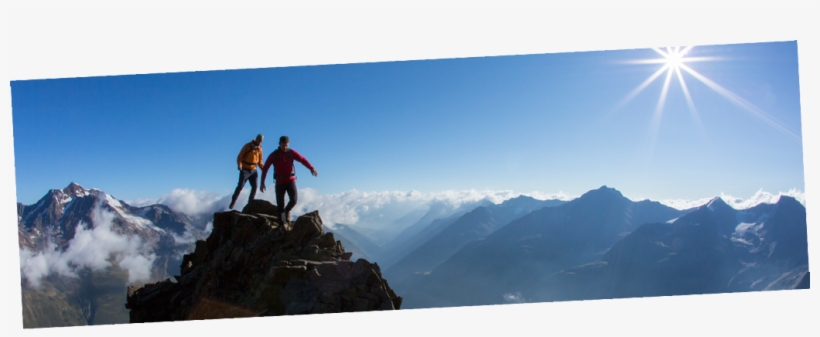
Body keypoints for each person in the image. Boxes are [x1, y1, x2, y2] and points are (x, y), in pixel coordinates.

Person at [261, 135, 318, 224]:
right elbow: (265, 168)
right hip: (279, 183)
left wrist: (311, 168)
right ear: (279, 144)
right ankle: (282, 226)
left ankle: (286, 211)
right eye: (283, 145)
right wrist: (262, 182)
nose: (285, 147)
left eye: (286, 145)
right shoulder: (274, 155)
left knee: (294, 200)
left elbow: (302, 159)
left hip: (290, 181)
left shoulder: (291, 153)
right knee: (280, 205)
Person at [230, 134, 265, 210]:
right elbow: (240, 157)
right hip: (245, 169)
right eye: (259, 140)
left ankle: (250, 203)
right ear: (256, 139)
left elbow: (260, 162)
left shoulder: (260, 149)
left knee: (255, 187)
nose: (260, 142)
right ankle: (233, 201)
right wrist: (239, 165)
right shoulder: (248, 146)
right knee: (240, 186)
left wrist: (264, 169)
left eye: (261, 141)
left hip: (254, 170)